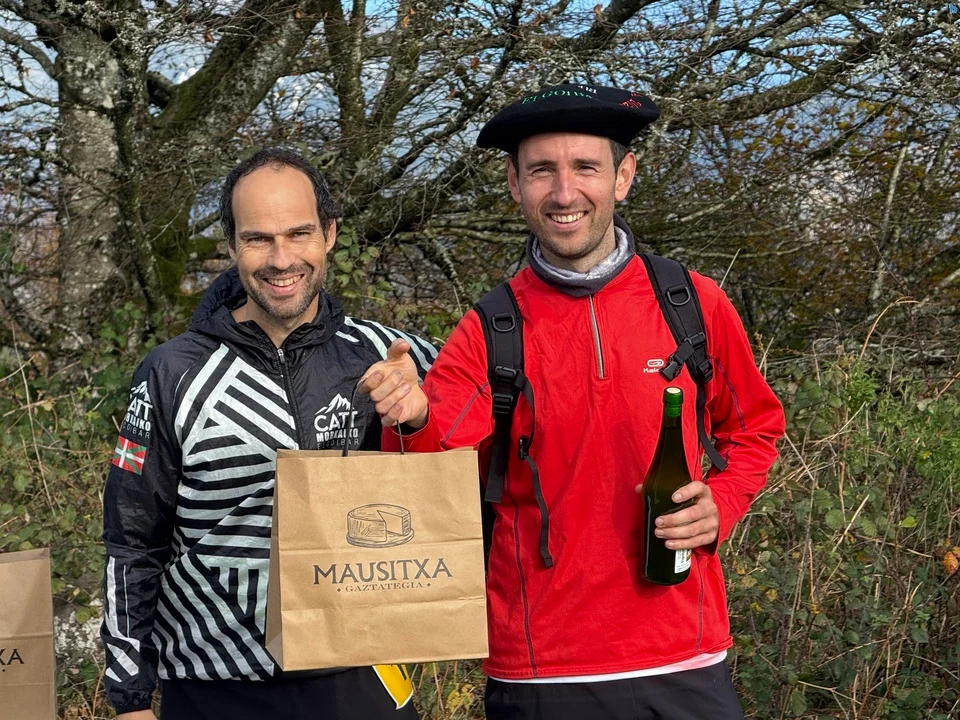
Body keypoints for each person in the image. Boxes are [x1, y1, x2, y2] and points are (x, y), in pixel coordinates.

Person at [361, 84, 786, 719]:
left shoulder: (693, 305)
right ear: (514, 184)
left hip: (684, 655)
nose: (564, 193)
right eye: (541, 171)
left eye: (586, 167)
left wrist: (721, 504)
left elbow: (755, 428)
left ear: (624, 176)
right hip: (541, 669)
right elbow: (434, 475)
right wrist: (411, 415)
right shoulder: (490, 327)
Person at [101, 148, 435, 720]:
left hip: (365, 674)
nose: (282, 260)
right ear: (231, 246)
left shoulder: (393, 354)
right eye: (258, 239)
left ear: (329, 234)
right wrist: (129, 697)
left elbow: (485, 477)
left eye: (299, 233)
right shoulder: (171, 373)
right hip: (215, 685)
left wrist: (426, 418)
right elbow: (132, 539)